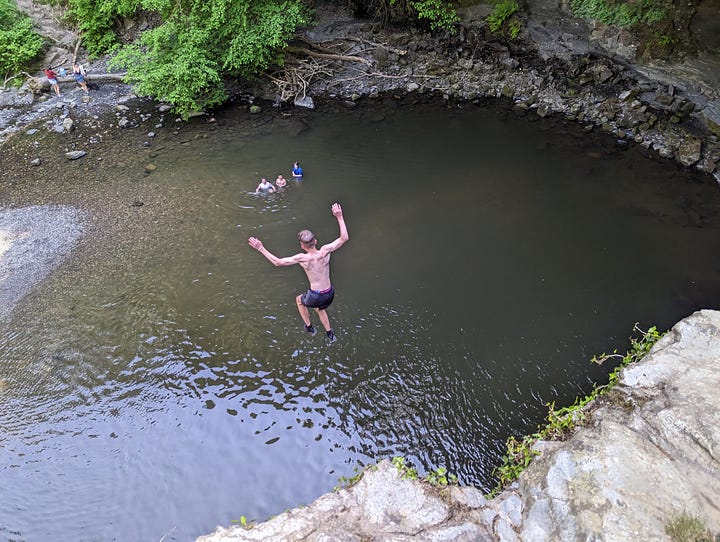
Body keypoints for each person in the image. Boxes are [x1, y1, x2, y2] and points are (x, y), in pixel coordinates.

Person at [248, 202, 349, 343]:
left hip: (315, 295)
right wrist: (339, 216)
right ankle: (329, 333)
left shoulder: (302, 258)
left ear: (302, 246)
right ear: (315, 241)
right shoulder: (326, 250)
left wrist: (261, 248)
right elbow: (344, 238)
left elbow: (277, 262)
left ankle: (309, 328)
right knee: (320, 309)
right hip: (329, 293)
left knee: (299, 300)